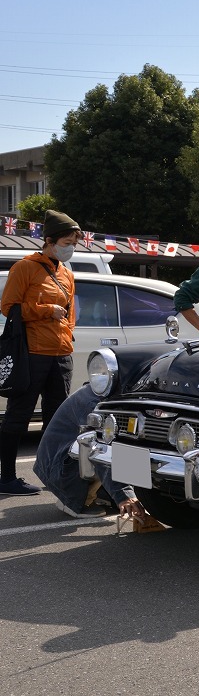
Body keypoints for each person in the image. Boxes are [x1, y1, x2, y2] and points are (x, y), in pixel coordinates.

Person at [0, 210, 80, 496]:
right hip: (32, 353)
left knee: (57, 419)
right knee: (18, 416)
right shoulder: (25, 267)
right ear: (49, 240)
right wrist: (46, 310)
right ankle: (7, 478)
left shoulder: (67, 274)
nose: (71, 247)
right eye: (67, 241)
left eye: (73, 242)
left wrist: (68, 334)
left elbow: (70, 314)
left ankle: (52, 474)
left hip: (61, 354)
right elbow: (8, 307)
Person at [33, 384, 149, 520]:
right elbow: (100, 449)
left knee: (133, 440)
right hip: (59, 468)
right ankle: (75, 499)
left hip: (63, 463)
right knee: (92, 444)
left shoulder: (115, 391)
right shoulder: (93, 402)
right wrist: (124, 496)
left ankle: (100, 493)